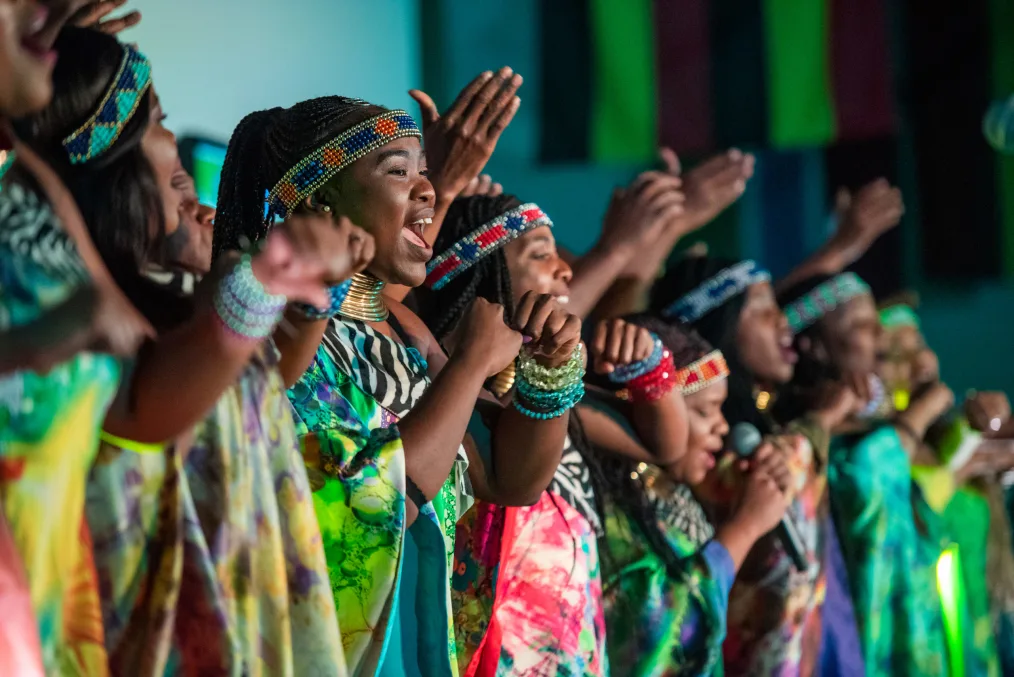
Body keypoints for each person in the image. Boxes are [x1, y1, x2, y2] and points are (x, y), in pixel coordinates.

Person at [17, 27, 369, 674]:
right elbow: (146, 408)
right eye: (156, 121)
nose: (175, 145)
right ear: (110, 155)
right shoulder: (54, 284)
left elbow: (264, 377)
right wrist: (271, 279)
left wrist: (299, 281)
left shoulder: (173, 304)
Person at [213, 96, 581, 676]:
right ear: (319, 200)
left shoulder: (403, 328)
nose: (428, 192)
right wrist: (470, 363)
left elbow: (510, 480)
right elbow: (379, 501)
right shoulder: (271, 318)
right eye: (398, 171)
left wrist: (553, 370)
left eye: (426, 174)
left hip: (413, 641)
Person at [415, 194, 688, 675]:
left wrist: (650, 366)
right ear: (480, 276)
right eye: (541, 254)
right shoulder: (445, 400)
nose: (565, 269)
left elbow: (663, 447)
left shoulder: (558, 404)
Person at [774, 274, 970, 676]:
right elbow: (869, 470)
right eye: (863, 327)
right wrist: (925, 410)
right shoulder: (803, 432)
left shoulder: (872, 423)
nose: (880, 341)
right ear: (811, 346)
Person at [596, 314, 791, 675]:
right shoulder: (611, 510)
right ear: (647, 413)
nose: (723, 427)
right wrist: (744, 528)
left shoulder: (672, 499)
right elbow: (661, 638)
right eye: (704, 410)